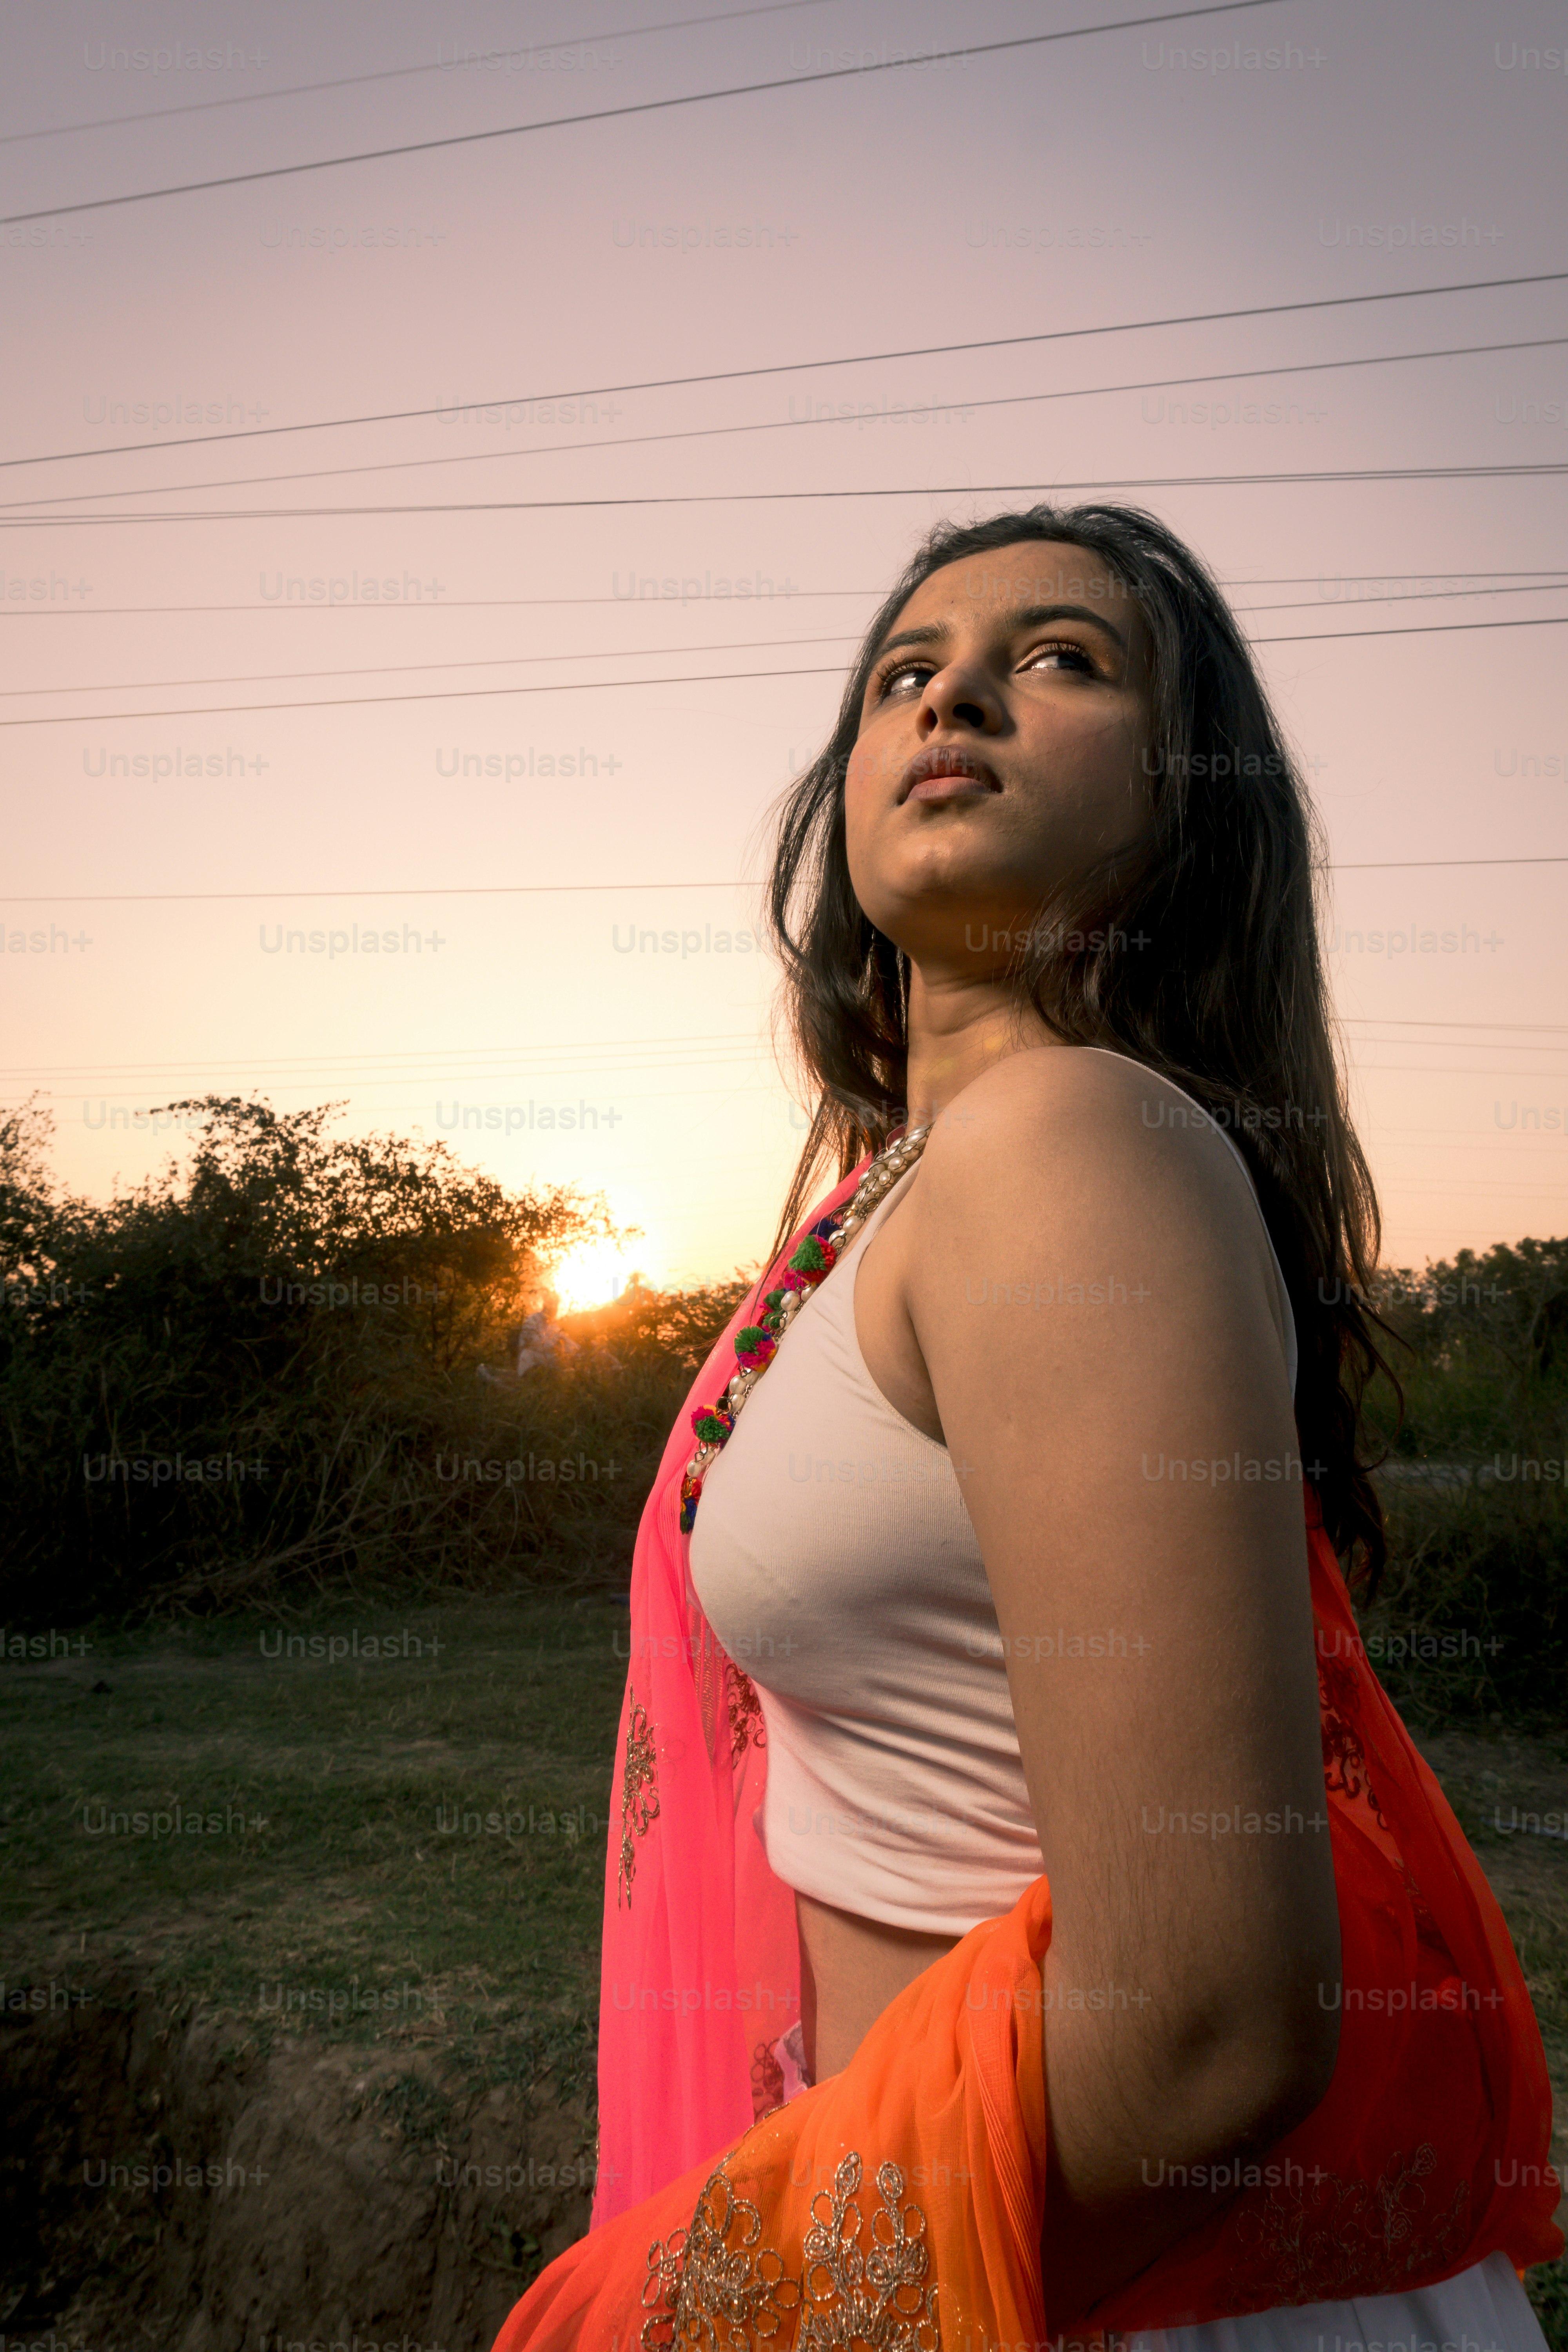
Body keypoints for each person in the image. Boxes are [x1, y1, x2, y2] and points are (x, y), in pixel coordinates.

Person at [492, 504, 1561, 2351]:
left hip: (1094, 2283)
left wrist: (719, 2312)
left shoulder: (1068, 1141)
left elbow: (1209, 2020)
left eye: (1063, 658)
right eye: (902, 672)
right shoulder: (885, 1201)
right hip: (975, 2249)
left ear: (1181, 804)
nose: (955, 691)